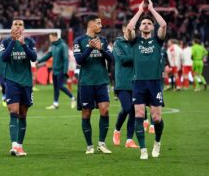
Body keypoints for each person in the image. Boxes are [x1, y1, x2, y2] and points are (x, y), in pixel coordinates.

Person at [126, 0, 167, 160]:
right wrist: (140, 12)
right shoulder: (135, 41)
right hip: (138, 82)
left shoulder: (157, 41)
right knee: (139, 114)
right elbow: (129, 27)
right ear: (140, 27)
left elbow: (163, 25)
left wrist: (151, 9)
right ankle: (143, 149)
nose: (146, 25)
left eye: (149, 24)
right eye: (144, 24)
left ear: (152, 27)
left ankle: (157, 142)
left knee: (156, 118)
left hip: (154, 82)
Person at [74, 15, 114, 155]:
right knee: (86, 113)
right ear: (90, 24)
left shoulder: (103, 40)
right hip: (86, 83)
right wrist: (90, 48)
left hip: (102, 81)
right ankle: (89, 145)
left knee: (105, 110)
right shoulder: (79, 40)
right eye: (98, 23)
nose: (101, 25)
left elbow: (112, 58)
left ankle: (101, 144)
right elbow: (79, 60)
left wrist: (101, 49)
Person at [0, 18, 37, 156]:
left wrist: (24, 45)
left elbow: (34, 58)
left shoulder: (30, 42)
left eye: (20, 25)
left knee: (23, 115)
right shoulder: (5, 42)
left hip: (26, 82)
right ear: (11, 27)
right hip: (11, 81)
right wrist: (14, 41)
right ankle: (14, 145)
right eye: (15, 24)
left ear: (24, 28)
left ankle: (20, 146)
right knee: (13, 112)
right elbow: (3, 58)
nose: (18, 26)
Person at [112, 25, 139, 148]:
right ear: (123, 30)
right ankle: (117, 130)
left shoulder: (137, 43)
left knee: (134, 111)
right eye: (128, 29)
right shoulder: (118, 44)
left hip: (136, 81)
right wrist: (137, 55)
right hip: (122, 82)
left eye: (132, 29)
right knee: (127, 108)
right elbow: (122, 59)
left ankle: (129, 140)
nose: (130, 31)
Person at [37, 32, 76, 110]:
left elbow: (65, 59)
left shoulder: (63, 45)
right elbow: (48, 55)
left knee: (60, 86)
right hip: (54, 70)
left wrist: (65, 71)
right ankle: (55, 104)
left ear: (55, 37)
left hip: (61, 70)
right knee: (55, 87)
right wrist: (39, 61)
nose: (50, 39)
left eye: (50, 37)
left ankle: (73, 98)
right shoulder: (53, 45)